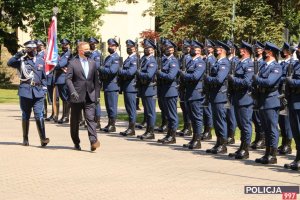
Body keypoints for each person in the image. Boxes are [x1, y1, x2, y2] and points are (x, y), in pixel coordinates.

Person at [7, 40, 50, 147]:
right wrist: (18, 54)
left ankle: (43, 139)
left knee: (39, 114)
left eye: (35, 48)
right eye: (30, 49)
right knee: (26, 114)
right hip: (25, 91)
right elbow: (10, 63)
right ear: (27, 49)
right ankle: (25, 138)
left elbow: (44, 77)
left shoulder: (41, 61)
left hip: (38, 91)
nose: (34, 50)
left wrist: (44, 89)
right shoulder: (22, 61)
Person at [66, 42, 100, 151]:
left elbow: (96, 81)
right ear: (80, 50)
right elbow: (68, 79)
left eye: (89, 48)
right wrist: (72, 91)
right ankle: (76, 142)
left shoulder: (93, 63)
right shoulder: (72, 63)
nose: (88, 50)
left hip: (90, 96)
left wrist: (97, 95)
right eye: (86, 49)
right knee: (75, 121)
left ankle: (93, 141)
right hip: (76, 97)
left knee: (90, 119)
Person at [253, 42, 282, 164]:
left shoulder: (276, 67)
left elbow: (270, 82)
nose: (263, 52)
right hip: (262, 100)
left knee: (272, 128)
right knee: (265, 128)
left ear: (270, 53)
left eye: (265, 51)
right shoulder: (264, 66)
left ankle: (273, 155)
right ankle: (267, 153)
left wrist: (257, 79)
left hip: (271, 100)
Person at [228, 41, 254, 159]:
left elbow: (246, 82)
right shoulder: (239, 63)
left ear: (245, 51)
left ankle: (245, 149)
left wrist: (233, 80)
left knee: (245, 124)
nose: (239, 51)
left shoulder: (249, 64)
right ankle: (241, 147)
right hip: (237, 97)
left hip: (245, 98)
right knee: (240, 124)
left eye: (241, 49)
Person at [205, 40, 230, 154]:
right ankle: (218, 142)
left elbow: (219, 79)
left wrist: (208, 79)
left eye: (218, 48)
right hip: (214, 95)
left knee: (220, 120)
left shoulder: (224, 63)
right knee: (216, 121)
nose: (216, 50)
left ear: (223, 50)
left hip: (220, 95)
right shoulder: (217, 62)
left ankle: (223, 145)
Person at [181, 40, 206, 149]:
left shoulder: (200, 62)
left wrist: (184, 75)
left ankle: (197, 140)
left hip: (196, 93)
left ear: (198, 51)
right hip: (190, 92)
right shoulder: (191, 62)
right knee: (192, 116)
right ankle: (194, 139)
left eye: (193, 49)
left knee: (197, 117)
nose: (190, 50)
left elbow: (195, 77)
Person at [156, 39, 179, 144]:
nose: (169, 49)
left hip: (171, 91)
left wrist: (160, 73)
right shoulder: (164, 60)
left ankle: (172, 136)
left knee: (172, 115)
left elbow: (170, 76)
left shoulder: (173, 61)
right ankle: (169, 134)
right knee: (167, 115)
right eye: (167, 47)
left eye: (171, 48)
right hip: (164, 91)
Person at [136, 39, 158, 140]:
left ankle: (151, 132)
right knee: (147, 111)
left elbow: (149, 75)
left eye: (148, 48)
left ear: (152, 50)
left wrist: (139, 73)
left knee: (150, 112)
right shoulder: (145, 60)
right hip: (145, 88)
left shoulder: (152, 61)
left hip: (150, 89)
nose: (146, 50)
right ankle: (148, 131)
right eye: (145, 48)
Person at [99, 38, 120, 133]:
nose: (110, 47)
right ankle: (109, 123)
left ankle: (113, 125)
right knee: (108, 106)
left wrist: (101, 68)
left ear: (116, 47)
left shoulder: (116, 58)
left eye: (112, 46)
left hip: (113, 85)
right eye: (109, 45)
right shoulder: (108, 57)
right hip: (107, 84)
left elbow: (112, 71)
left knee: (112, 106)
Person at [284, 44, 300, 170]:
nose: (297, 51)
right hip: (293, 101)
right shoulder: (295, 64)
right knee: (296, 131)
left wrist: (291, 81)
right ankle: (298, 158)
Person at [119, 39, 138, 136]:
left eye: (130, 47)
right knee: (128, 108)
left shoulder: (134, 59)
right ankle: (130, 128)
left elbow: (130, 72)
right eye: (127, 47)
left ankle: (132, 128)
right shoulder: (128, 59)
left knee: (131, 108)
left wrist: (120, 71)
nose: (129, 49)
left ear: (134, 48)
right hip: (126, 86)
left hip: (131, 87)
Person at [278, 42, 293, 155]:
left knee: (287, 121)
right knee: (281, 120)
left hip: (287, 94)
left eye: (284, 51)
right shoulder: (283, 64)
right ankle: (283, 142)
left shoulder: (292, 64)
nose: (282, 52)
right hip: (280, 92)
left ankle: (288, 144)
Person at [251, 41, 266, 149]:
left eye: (259, 49)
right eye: (256, 49)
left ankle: (262, 138)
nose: (257, 51)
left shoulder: (263, 62)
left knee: (259, 116)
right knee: (255, 117)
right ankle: (257, 137)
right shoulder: (254, 61)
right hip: (253, 91)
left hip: (259, 90)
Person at [177, 40, 193, 137]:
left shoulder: (189, 57)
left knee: (187, 107)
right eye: (184, 46)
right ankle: (186, 126)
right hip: (182, 84)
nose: (185, 48)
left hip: (186, 84)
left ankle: (189, 128)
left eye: (187, 47)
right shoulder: (182, 57)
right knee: (183, 106)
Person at [54, 38, 72, 124]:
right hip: (59, 78)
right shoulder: (62, 54)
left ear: (68, 45)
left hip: (64, 78)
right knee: (63, 98)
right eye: (62, 45)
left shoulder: (68, 54)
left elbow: (62, 64)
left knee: (66, 98)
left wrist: (53, 65)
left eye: (65, 45)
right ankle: (64, 116)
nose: (63, 46)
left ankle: (66, 116)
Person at [201, 39, 216, 141]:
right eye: (206, 47)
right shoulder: (205, 59)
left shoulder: (212, 60)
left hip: (208, 87)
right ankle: (205, 130)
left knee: (208, 111)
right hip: (204, 86)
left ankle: (208, 131)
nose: (207, 49)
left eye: (209, 47)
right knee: (204, 110)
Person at [226, 40, 239, 144]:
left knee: (231, 114)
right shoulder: (226, 60)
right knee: (225, 113)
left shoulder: (235, 60)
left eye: (230, 48)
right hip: (225, 89)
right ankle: (226, 133)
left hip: (232, 89)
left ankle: (231, 135)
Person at [88, 37, 102, 130]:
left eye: (94, 43)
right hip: (88, 79)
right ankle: (91, 120)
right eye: (91, 43)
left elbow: (96, 66)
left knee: (96, 100)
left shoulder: (97, 55)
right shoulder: (88, 54)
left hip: (95, 79)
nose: (92, 45)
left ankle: (98, 121)